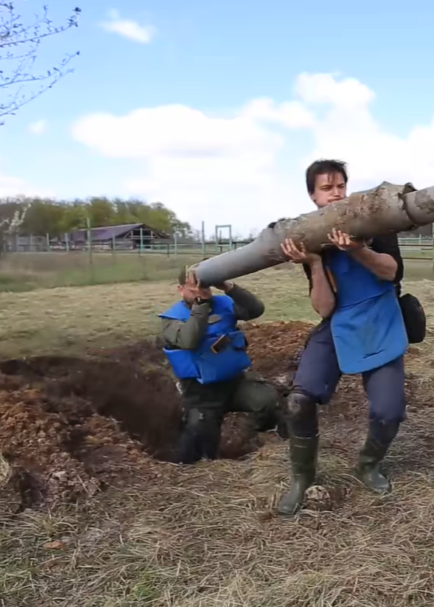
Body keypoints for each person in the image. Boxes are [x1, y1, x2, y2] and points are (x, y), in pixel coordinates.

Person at [275, 158, 409, 516]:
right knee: (297, 402)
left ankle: (368, 464)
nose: (335, 194)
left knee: (388, 411)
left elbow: (391, 273)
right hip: (339, 322)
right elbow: (324, 309)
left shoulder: (374, 222)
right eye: (326, 188)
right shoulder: (311, 239)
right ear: (313, 196)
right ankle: (302, 479)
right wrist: (316, 263)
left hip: (380, 317)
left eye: (339, 186)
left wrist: (357, 249)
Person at [158, 268, 285, 464]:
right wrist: (200, 305)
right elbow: (189, 340)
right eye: (194, 289)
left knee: (267, 400)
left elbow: (255, 310)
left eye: (205, 287)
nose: (201, 291)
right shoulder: (172, 319)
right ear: (180, 289)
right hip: (201, 392)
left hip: (234, 382)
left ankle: (256, 435)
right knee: (198, 444)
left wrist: (228, 287)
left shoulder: (224, 304)